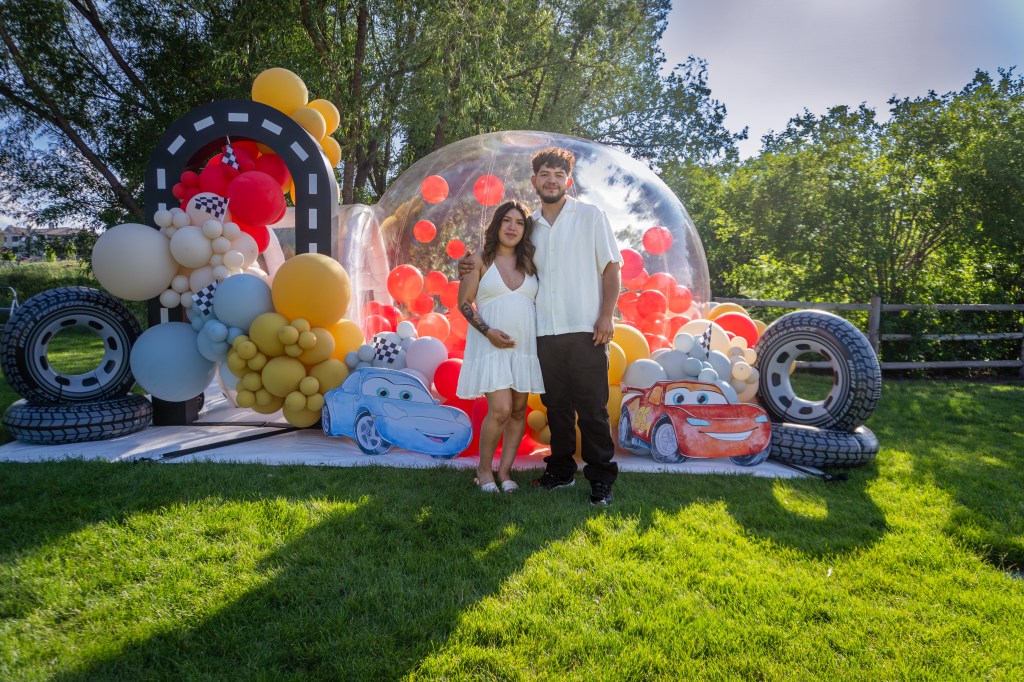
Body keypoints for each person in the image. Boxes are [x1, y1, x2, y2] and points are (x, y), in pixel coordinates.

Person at [460, 147, 622, 506]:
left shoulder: (591, 216)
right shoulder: (529, 227)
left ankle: (600, 479)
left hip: (585, 330)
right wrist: (467, 264)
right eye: (545, 174)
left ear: (569, 181)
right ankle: (560, 471)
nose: (551, 180)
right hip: (542, 336)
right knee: (556, 408)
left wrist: (606, 315)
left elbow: (612, 267)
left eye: (558, 175)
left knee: (593, 408)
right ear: (534, 181)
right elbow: (498, 253)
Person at [456, 200, 545, 493]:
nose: (512, 227)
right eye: (507, 220)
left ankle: (505, 471)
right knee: (501, 409)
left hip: (524, 349)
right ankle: (483, 470)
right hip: (491, 346)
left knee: (519, 411)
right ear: (497, 224)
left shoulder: (530, 263)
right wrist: (489, 331)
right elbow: (464, 304)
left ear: (525, 230)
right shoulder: (479, 258)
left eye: (519, 223)